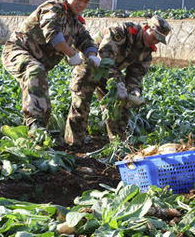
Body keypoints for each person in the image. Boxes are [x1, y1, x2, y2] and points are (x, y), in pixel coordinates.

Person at [2, 0, 100, 137]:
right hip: (18, 50)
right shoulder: (53, 8)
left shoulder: (75, 22)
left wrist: (92, 56)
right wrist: (71, 54)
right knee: (34, 70)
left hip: (38, 61)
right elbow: (53, 35)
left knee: (42, 94)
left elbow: (86, 40)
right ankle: (35, 127)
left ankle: (40, 130)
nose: (81, 4)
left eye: (86, 1)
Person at [64, 15, 172, 146]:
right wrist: (118, 81)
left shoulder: (146, 51)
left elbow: (136, 74)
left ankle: (118, 145)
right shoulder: (121, 32)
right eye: (154, 36)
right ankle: (74, 145)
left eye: (158, 40)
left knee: (119, 107)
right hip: (90, 65)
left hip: (111, 74)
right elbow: (104, 56)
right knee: (81, 104)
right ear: (146, 27)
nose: (154, 41)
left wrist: (134, 90)